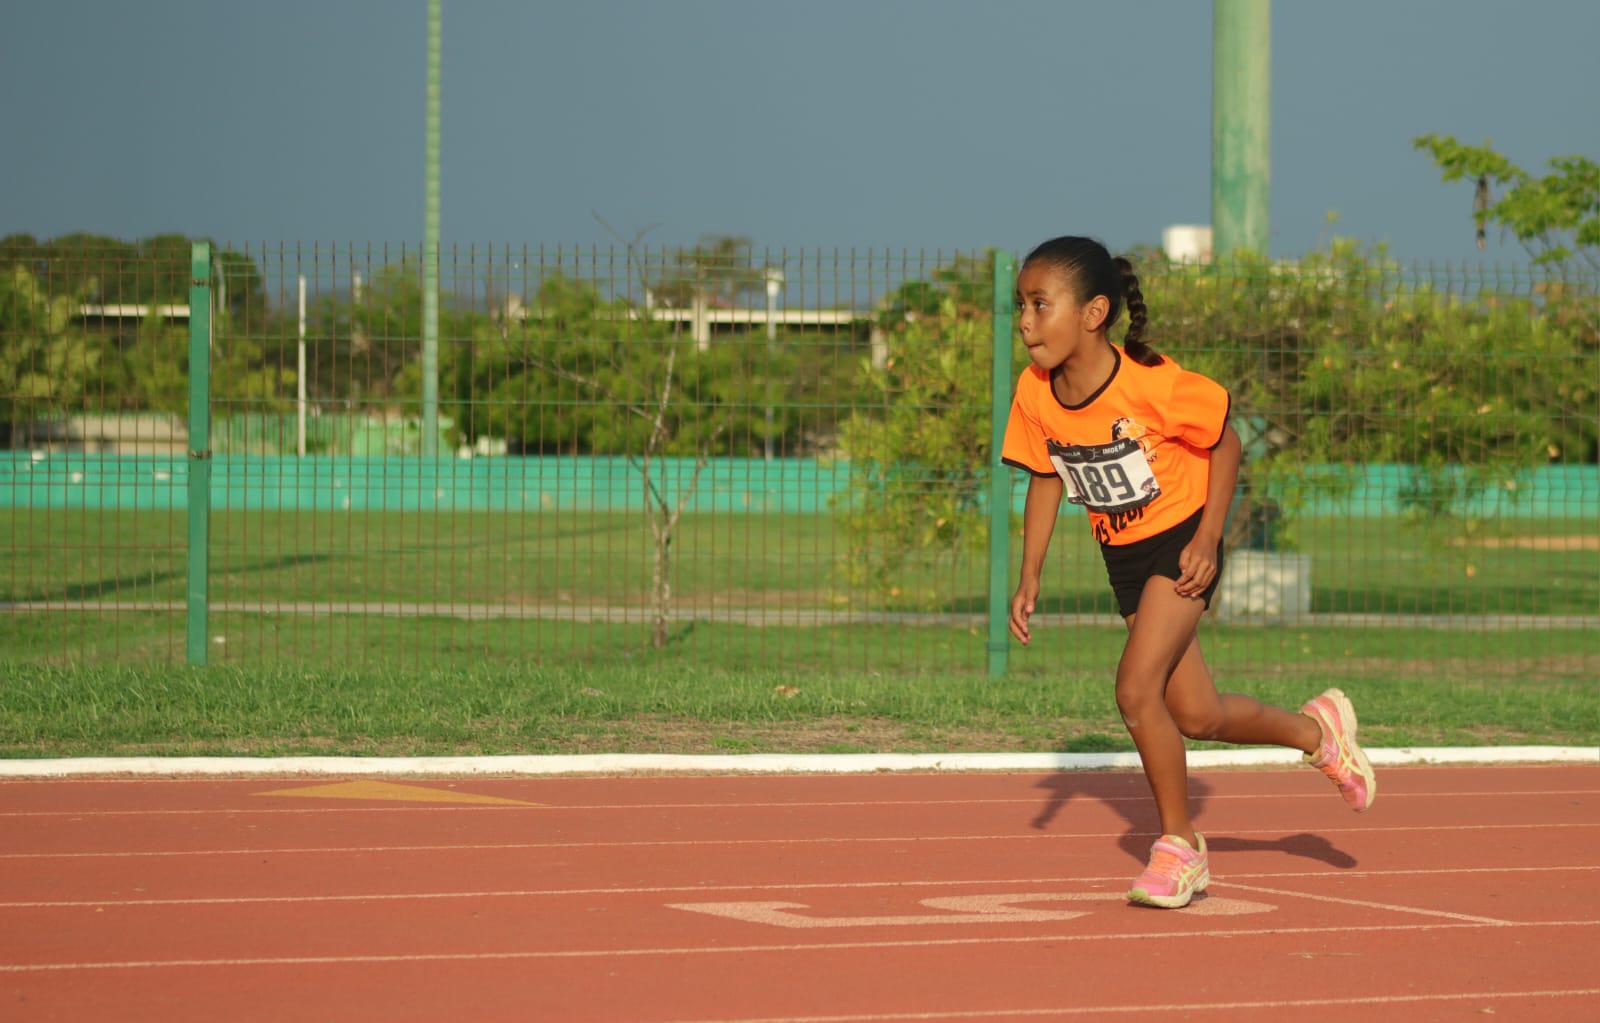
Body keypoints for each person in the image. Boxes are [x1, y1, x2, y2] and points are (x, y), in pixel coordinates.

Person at [999, 236, 1377, 909]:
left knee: (1135, 689)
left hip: (1182, 539)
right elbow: (1044, 479)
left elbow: (1225, 440)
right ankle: (1318, 733)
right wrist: (1030, 574)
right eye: (1019, 306)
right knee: (1196, 713)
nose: (1024, 320)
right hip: (1125, 556)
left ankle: (1179, 847)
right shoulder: (1034, 393)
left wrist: (1210, 534)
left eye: (1038, 304)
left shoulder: (1149, 382)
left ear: (1092, 313)